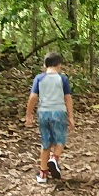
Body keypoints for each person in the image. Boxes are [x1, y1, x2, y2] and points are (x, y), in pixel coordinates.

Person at [25, 52, 74, 183]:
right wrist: (71, 117)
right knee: (60, 140)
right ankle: (55, 159)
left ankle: (42, 174)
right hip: (58, 112)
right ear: (59, 65)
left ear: (45, 65)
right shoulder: (62, 79)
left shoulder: (39, 78)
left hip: (43, 113)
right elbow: (67, 98)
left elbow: (33, 97)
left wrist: (29, 114)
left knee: (46, 142)